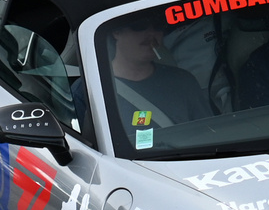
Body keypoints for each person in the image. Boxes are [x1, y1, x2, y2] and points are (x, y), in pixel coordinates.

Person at [74, 15, 209, 147]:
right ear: (117, 32)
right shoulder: (88, 89)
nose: (151, 33)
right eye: (139, 26)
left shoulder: (183, 81)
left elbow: (207, 134)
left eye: (158, 26)